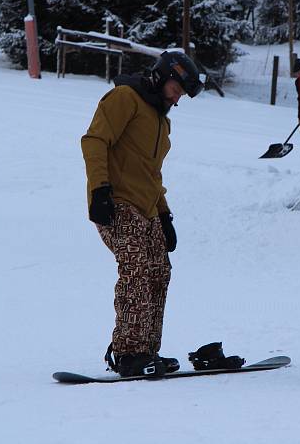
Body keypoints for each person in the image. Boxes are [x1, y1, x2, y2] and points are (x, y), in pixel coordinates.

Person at [81, 51, 203, 378]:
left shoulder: (161, 121)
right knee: (135, 268)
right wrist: (99, 190)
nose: (177, 98)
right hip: (116, 201)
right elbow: (94, 141)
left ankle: (147, 350)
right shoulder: (126, 98)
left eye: (181, 95)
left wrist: (164, 215)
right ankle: (127, 352)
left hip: (147, 208)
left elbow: (152, 174)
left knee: (159, 271)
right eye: (176, 90)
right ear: (163, 76)